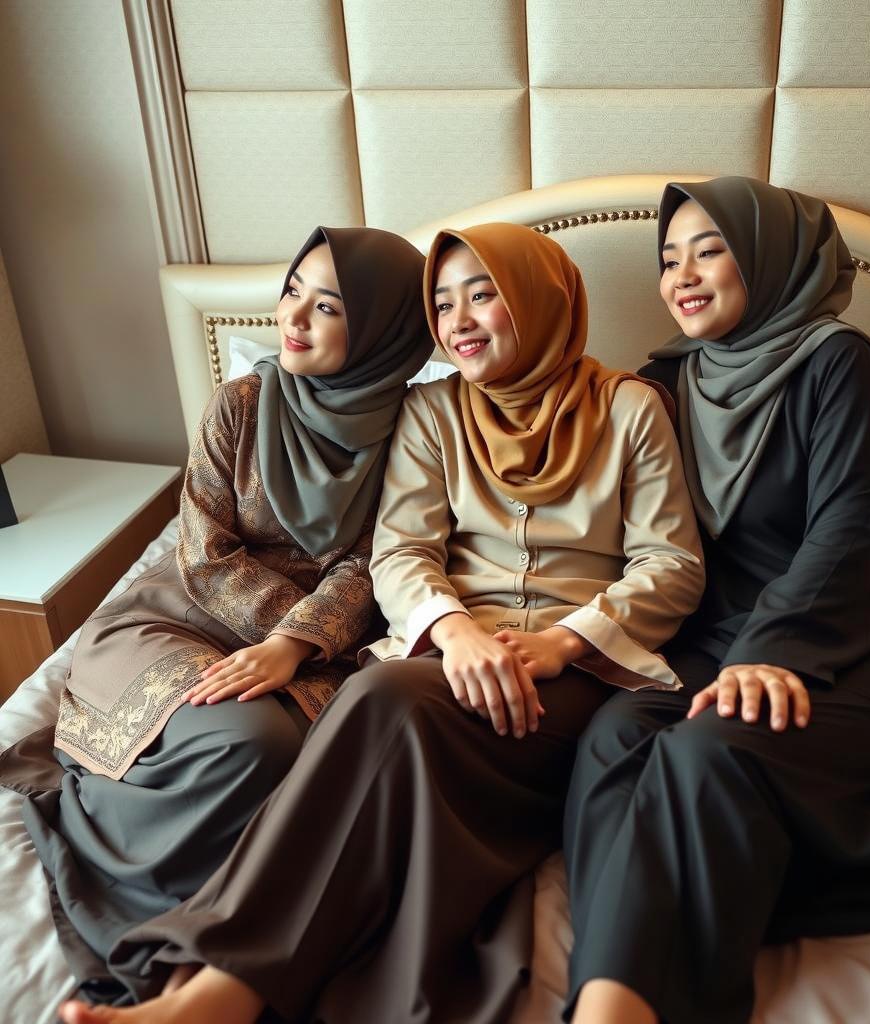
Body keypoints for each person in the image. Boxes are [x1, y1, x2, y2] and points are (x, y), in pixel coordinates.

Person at [55, 221, 705, 1024]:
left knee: (375, 705)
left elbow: (672, 565)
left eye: (484, 295)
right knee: (378, 701)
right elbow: (401, 553)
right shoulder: (431, 412)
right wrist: (456, 630)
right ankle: (218, 987)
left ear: (542, 301)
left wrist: (561, 641)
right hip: (444, 658)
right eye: (442, 302)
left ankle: (224, 990)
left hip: (574, 672)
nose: (459, 318)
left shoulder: (633, 408)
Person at [563, 176, 870, 1024]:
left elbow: (850, 533)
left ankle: (623, 1006)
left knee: (710, 752)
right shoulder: (663, 381)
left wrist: (771, 652)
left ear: (771, 258)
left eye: (711, 251)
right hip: (731, 629)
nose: (683, 276)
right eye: (669, 259)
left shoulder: (836, 359)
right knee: (615, 740)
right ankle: (610, 981)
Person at [0, 225, 434, 1004]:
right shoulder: (241, 402)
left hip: (311, 646)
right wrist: (282, 636)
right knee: (248, 740)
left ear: (382, 329)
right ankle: (130, 881)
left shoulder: (415, 434)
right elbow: (202, 550)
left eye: (327, 305)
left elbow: (373, 564)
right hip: (175, 617)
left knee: (287, 752)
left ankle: (215, 951)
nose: (293, 317)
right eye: (291, 291)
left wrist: (296, 645)